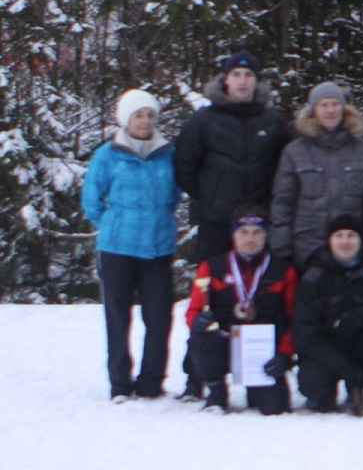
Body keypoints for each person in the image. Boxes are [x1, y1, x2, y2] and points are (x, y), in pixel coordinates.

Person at [84, 89, 181, 401]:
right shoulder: (108, 154)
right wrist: (112, 226)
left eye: (150, 115)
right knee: (118, 317)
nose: (145, 121)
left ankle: (152, 382)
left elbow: (175, 196)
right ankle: (120, 384)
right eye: (139, 115)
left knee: (159, 317)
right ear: (126, 119)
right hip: (118, 249)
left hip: (158, 248)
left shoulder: (168, 154)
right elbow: (91, 200)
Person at [174, 52, 291, 261]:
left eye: (248, 75)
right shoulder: (203, 120)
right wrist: (209, 196)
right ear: (226, 79)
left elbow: (285, 166)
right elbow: (185, 164)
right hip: (217, 222)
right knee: (213, 285)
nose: (243, 81)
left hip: (260, 222)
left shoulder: (273, 121)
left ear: (257, 81)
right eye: (236, 74)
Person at [183, 207, 297, 414]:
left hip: (262, 351)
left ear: (266, 236)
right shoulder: (213, 267)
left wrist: (285, 354)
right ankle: (216, 390)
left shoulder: (283, 271)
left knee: (275, 408)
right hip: (224, 343)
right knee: (202, 335)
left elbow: (293, 318)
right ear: (234, 235)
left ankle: (256, 389)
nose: (250, 239)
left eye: (257, 232)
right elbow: (194, 311)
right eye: (243, 232)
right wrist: (197, 321)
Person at [270, 82, 363, 270]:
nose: (330, 110)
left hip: (352, 254)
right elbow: (282, 205)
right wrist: (281, 253)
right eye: (324, 105)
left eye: (335, 104)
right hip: (307, 253)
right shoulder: (294, 152)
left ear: (344, 109)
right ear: (313, 111)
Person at [293, 214, 363, 416]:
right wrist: (347, 369)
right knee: (315, 385)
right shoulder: (313, 277)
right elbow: (305, 334)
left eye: (351, 235)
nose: (345, 241)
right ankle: (326, 393)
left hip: (361, 345)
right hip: (325, 347)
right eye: (339, 235)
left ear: (361, 240)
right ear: (329, 241)